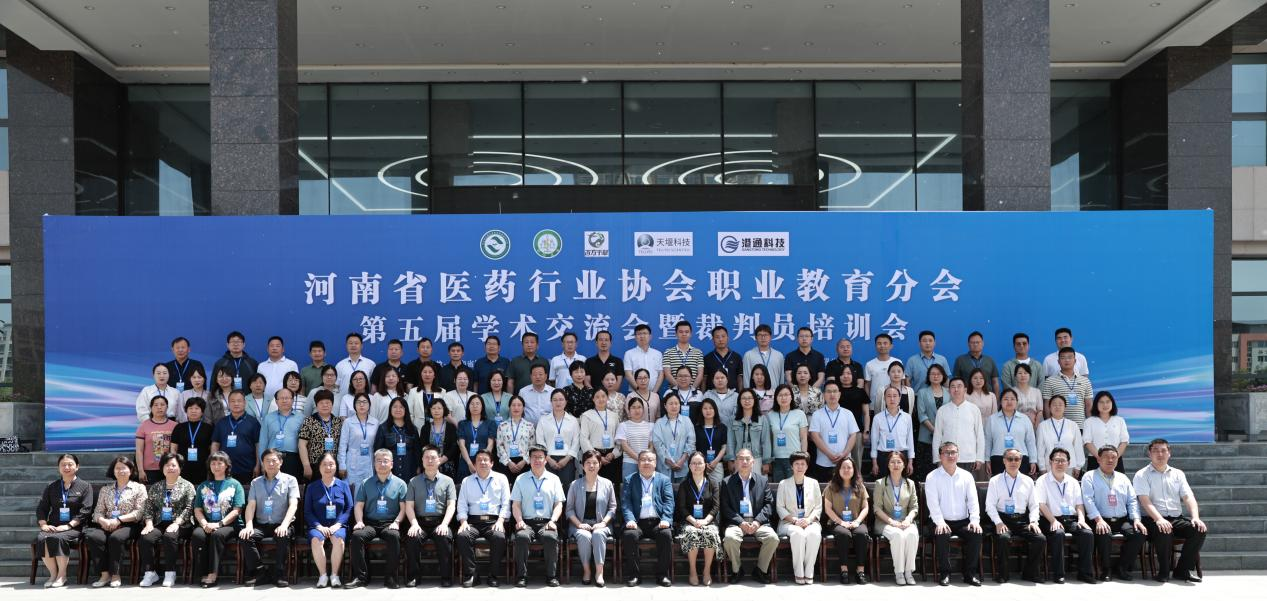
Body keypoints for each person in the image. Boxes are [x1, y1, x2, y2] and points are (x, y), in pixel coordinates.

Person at [1134, 438, 1207, 583]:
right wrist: (1159, 519)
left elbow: (1188, 497)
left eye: (1163, 450)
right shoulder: (1142, 475)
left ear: (1169, 453)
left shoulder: (1178, 474)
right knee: (1164, 530)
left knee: (1198, 530)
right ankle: (1164, 571)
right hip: (1152, 520)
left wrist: (1195, 517)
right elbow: (1144, 501)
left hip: (1176, 518)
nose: (1160, 454)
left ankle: (1182, 570)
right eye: (1155, 451)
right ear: (1149, 454)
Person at [1081, 445, 1147, 581]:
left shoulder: (1123, 477)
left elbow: (1132, 500)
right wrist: (1098, 520)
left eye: (1114, 457)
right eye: (1106, 457)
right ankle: (1106, 569)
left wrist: (1136, 519)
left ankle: (1122, 567)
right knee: (1103, 533)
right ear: (1098, 459)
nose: (1110, 460)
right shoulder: (1089, 476)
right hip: (1100, 519)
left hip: (1121, 520)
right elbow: (1088, 500)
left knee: (1139, 534)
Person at [348, 449, 408, 588]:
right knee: (357, 536)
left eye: (385, 461)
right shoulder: (366, 483)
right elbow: (358, 506)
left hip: (390, 523)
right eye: (379, 461)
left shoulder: (400, 484)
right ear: (374, 464)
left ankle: (391, 578)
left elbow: (404, 508)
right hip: (370, 523)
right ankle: (361, 577)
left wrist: (397, 522)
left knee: (394, 536)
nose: (382, 464)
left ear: (392, 464)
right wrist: (359, 521)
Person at [240, 448, 300, 586]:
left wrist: (284, 525)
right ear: (262, 463)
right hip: (262, 524)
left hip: (282, 523)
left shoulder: (290, 480)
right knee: (246, 536)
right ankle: (261, 573)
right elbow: (251, 505)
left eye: (274, 460)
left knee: (283, 535)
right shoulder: (256, 482)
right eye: (267, 461)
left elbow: (293, 505)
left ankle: (279, 574)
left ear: (281, 462)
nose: (271, 464)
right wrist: (248, 526)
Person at [926, 442, 983, 586]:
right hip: (940, 520)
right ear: (940, 456)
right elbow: (933, 504)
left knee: (975, 533)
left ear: (958, 455)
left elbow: (973, 501)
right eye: (947, 452)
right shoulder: (932, 477)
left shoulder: (967, 476)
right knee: (942, 533)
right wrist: (940, 522)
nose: (950, 455)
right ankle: (945, 573)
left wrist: (974, 520)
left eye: (953, 452)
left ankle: (970, 574)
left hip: (962, 521)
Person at [1035, 448, 1096, 583]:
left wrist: (1081, 520)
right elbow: (1041, 504)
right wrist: (1053, 521)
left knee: (1087, 533)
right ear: (1050, 462)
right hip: (1049, 518)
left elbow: (1079, 504)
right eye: (1056, 460)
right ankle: (1058, 574)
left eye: (1063, 460)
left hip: (1070, 518)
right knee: (1058, 533)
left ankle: (1085, 573)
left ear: (1068, 463)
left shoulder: (1073, 482)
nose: (1060, 463)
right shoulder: (1042, 481)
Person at [34, 454, 94, 588]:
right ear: (58, 467)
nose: (66, 467)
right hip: (54, 525)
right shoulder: (52, 486)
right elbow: (42, 507)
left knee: (58, 538)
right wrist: (43, 524)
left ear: (77, 467)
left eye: (70, 464)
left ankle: (62, 576)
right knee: (42, 538)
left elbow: (86, 510)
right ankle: (53, 574)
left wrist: (68, 526)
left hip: (75, 527)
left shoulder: (85, 486)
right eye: (63, 465)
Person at [510, 445, 566, 587]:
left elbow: (558, 504)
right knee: (521, 537)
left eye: (540, 457)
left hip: (547, 522)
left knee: (550, 537)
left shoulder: (554, 479)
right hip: (526, 522)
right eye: (534, 457)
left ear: (546, 460)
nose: (537, 460)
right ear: (529, 459)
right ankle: (522, 576)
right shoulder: (520, 479)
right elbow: (515, 505)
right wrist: (519, 521)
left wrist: (553, 521)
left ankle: (551, 576)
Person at [984, 448, 1043, 583]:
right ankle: (1003, 574)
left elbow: (1034, 505)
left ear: (1021, 461)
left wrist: (1033, 521)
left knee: (1040, 538)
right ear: (1004, 461)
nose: (1013, 462)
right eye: (1010, 459)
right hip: (1002, 519)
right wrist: (998, 522)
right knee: (1003, 538)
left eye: (1016, 459)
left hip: (1022, 520)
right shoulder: (995, 480)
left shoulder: (1028, 480)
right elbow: (990, 506)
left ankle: (1029, 573)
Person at [719, 448, 778, 583]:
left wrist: (757, 522)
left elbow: (769, 504)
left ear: (753, 462)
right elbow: (725, 507)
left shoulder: (762, 481)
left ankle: (760, 570)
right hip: (737, 523)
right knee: (729, 538)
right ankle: (737, 570)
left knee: (773, 538)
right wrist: (741, 522)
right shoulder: (727, 482)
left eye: (747, 459)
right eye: (741, 459)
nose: (744, 462)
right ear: (735, 462)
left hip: (758, 522)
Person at [455, 450, 512, 588]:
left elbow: (506, 503)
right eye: (479, 460)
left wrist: (501, 521)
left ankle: (493, 575)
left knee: (499, 537)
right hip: (473, 522)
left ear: (492, 463)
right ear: (474, 464)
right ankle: (472, 574)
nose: (482, 462)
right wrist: (463, 522)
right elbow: (461, 504)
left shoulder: (501, 478)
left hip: (494, 522)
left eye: (486, 460)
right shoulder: (467, 481)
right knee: (462, 536)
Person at [137, 453, 194, 588]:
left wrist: (177, 523)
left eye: (174, 465)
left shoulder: (187, 486)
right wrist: (149, 523)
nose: (170, 468)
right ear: (162, 468)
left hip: (181, 523)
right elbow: (149, 506)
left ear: (180, 468)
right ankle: (150, 573)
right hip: (159, 522)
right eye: (167, 465)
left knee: (170, 536)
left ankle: (170, 573)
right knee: (146, 537)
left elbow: (189, 507)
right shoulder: (156, 486)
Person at [404, 446, 457, 588]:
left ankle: (446, 577)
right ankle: (414, 577)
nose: (430, 460)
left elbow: (451, 505)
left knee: (444, 537)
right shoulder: (413, 482)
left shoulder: (448, 481)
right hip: (419, 522)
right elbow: (409, 506)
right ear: (422, 460)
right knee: (412, 538)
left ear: (439, 460)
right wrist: (414, 524)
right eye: (426, 457)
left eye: (433, 457)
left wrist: (445, 524)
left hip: (440, 521)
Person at [620, 449, 675, 587]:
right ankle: (634, 575)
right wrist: (630, 519)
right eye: (643, 459)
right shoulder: (630, 480)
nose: (646, 462)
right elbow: (626, 503)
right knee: (629, 535)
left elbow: (669, 502)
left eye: (650, 460)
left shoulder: (664, 480)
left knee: (666, 534)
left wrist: (666, 519)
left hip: (658, 522)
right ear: (638, 463)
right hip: (637, 522)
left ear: (655, 463)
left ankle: (662, 575)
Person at [191, 452, 245, 588]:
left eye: (220, 463)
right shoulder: (203, 485)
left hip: (229, 524)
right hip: (207, 523)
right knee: (198, 534)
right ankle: (201, 573)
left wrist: (220, 524)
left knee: (217, 534)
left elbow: (237, 510)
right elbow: (197, 509)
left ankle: (213, 574)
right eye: (213, 463)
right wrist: (204, 524)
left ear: (227, 466)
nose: (216, 466)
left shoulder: (235, 484)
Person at [566, 450, 617, 587]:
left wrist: (603, 523)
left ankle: (599, 572)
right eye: (588, 462)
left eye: (595, 462)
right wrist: (579, 524)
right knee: (584, 536)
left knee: (598, 534)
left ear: (600, 464)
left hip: (601, 524)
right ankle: (587, 570)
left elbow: (612, 508)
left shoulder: (607, 484)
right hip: (579, 524)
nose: (591, 465)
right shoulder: (575, 485)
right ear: (583, 465)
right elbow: (569, 509)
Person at [871, 451, 920, 586]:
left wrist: (908, 520)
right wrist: (891, 522)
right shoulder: (881, 483)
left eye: (899, 462)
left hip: (905, 521)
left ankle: (908, 572)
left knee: (911, 534)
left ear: (904, 465)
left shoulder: (910, 484)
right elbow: (877, 508)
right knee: (898, 535)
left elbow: (914, 507)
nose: (896, 465)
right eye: (892, 462)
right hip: (885, 522)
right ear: (888, 465)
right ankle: (899, 573)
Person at [305, 452, 353, 588]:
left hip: (338, 525)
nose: (328, 467)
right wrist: (318, 526)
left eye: (331, 464)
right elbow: (308, 511)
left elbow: (349, 508)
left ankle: (335, 575)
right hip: (318, 526)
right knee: (316, 539)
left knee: (338, 540)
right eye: (324, 464)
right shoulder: (312, 487)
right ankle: (323, 576)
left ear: (336, 466)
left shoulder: (343, 485)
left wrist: (338, 524)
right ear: (319, 467)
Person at [775, 451, 822, 585]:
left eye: (803, 464)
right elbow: (780, 507)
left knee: (814, 534)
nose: (800, 467)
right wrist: (795, 520)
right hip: (788, 522)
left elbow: (818, 507)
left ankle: (809, 570)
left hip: (810, 521)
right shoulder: (783, 484)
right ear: (791, 466)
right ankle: (799, 572)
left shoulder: (814, 483)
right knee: (798, 533)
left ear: (807, 466)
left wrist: (808, 520)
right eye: (796, 464)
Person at [676, 451, 721, 586]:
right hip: (689, 521)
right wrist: (693, 521)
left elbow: (716, 506)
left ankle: (706, 571)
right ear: (689, 466)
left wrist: (705, 521)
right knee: (692, 533)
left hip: (708, 521)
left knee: (710, 533)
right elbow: (681, 507)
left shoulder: (713, 483)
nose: (696, 466)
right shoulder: (684, 484)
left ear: (705, 465)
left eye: (699, 463)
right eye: (693, 463)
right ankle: (693, 571)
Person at [823, 456, 870, 584]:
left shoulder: (860, 487)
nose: (846, 470)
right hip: (836, 522)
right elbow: (828, 509)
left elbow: (865, 507)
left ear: (854, 470)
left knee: (861, 534)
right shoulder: (831, 487)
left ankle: (860, 571)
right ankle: (844, 570)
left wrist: (857, 521)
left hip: (856, 521)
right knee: (843, 534)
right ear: (838, 470)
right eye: (843, 467)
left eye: (849, 467)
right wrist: (841, 522)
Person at [931, 377, 985, 471]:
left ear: (965, 390)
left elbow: (980, 435)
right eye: (953, 387)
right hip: (947, 457)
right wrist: (937, 459)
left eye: (959, 386)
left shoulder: (974, 409)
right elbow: (937, 436)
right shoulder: (942, 410)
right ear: (949, 390)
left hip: (968, 458)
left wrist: (979, 458)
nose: (956, 389)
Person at [811, 381, 861, 481]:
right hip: (823, 462)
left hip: (845, 463)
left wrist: (844, 454)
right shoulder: (817, 414)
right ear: (824, 395)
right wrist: (829, 454)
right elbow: (815, 436)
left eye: (835, 391)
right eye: (829, 391)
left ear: (839, 394)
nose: (832, 394)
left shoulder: (848, 414)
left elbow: (853, 435)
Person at [209, 390, 261, 484]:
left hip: (247, 468)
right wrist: (214, 463)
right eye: (232, 401)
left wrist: (258, 465)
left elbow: (258, 445)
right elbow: (215, 444)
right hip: (224, 469)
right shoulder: (221, 422)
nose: (236, 403)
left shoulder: (253, 422)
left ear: (245, 403)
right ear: (228, 404)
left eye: (239, 401)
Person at [986, 389, 1038, 476]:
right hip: (998, 458)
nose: (1009, 402)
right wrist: (987, 460)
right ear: (1000, 402)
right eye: (1006, 399)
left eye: (1012, 399)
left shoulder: (1024, 419)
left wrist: (1033, 461)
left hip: (1020, 458)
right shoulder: (992, 419)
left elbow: (1030, 441)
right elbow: (988, 441)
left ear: (1017, 402)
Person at [535, 389, 581, 487]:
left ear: (566, 401)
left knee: (567, 490)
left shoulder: (573, 421)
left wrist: (567, 458)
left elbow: (576, 441)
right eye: (555, 400)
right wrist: (548, 459)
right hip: (548, 460)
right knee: (548, 489)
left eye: (561, 399)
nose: (558, 402)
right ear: (551, 402)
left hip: (567, 460)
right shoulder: (543, 420)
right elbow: (540, 441)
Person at [763, 384, 808, 482]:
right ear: (776, 398)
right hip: (776, 459)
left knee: (795, 486)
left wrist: (803, 457)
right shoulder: (770, 415)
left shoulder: (799, 414)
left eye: (786, 395)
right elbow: (768, 439)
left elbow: (804, 438)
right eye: (780, 395)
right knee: (778, 487)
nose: (783, 398)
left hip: (795, 458)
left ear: (791, 397)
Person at [1041, 347, 1093, 426]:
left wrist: (1090, 425)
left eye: (1070, 357)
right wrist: (1049, 425)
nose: (1067, 360)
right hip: (1058, 427)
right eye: (1063, 358)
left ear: (1075, 361)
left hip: (1080, 426)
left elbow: (1089, 405)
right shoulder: (1050, 381)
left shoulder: (1085, 381)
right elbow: (1046, 405)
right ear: (1058, 362)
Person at [338, 393, 379, 492]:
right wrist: (342, 464)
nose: (361, 405)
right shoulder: (348, 422)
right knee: (353, 491)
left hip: (369, 461)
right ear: (354, 405)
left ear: (369, 405)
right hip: (353, 461)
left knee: (368, 491)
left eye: (364, 402)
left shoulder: (375, 422)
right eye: (358, 402)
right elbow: (342, 445)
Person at [257, 388, 303, 478]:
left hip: (293, 459)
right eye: (281, 398)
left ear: (292, 400)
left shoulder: (301, 418)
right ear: (276, 401)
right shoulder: (268, 418)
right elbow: (263, 442)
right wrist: (263, 463)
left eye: (287, 398)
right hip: (272, 458)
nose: (284, 400)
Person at [299, 390, 344, 481]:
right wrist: (306, 465)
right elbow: (302, 445)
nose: (325, 405)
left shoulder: (338, 422)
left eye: (327, 402)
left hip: (333, 465)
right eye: (321, 403)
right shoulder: (309, 421)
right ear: (316, 405)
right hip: (315, 465)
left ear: (332, 404)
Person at [581, 387, 623, 485]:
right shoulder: (587, 415)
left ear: (607, 398)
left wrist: (614, 454)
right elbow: (584, 438)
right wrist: (596, 456)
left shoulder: (614, 415)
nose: (601, 399)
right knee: (593, 486)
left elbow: (619, 438)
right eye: (597, 397)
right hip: (593, 456)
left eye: (603, 396)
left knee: (612, 487)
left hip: (611, 456)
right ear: (593, 399)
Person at [374, 397, 423, 480]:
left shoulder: (412, 429)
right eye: (395, 407)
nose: (398, 409)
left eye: (401, 407)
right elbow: (378, 450)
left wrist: (419, 467)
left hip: (410, 470)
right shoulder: (383, 428)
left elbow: (417, 450)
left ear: (406, 410)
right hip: (390, 471)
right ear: (390, 409)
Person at [915, 363, 949, 478]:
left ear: (943, 376)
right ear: (928, 376)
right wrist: (935, 431)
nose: (935, 376)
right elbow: (922, 415)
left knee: (944, 472)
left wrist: (941, 432)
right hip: (926, 437)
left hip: (945, 437)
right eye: (933, 374)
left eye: (938, 374)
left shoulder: (949, 392)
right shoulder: (922, 392)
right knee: (926, 473)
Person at [1083, 391, 1130, 473]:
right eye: (1101, 402)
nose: (1105, 405)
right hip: (1095, 460)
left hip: (1116, 461)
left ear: (1112, 403)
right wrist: (1100, 458)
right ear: (1096, 404)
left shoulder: (1119, 420)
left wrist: (1115, 457)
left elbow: (1124, 441)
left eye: (1108, 402)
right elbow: (1087, 441)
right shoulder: (1089, 421)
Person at [1036, 395, 1085, 473]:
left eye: (1060, 404)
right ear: (1049, 407)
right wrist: (1042, 467)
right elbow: (1040, 448)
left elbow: (1078, 446)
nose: (1057, 407)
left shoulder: (1073, 425)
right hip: (1049, 466)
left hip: (1070, 466)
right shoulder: (1043, 426)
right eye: (1054, 404)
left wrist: (1078, 466)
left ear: (1065, 407)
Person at [652, 392, 694, 483]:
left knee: (682, 491)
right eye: (671, 403)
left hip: (683, 467)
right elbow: (658, 445)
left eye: (676, 403)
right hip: (664, 468)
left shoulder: (687, 421)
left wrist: (681, 461)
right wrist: (670, 462)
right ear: (665, 406)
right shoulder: (659, 423)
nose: (674, 406)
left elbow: (691, 442)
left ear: (680, 405)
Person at [136, 395, 176, 483]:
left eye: (162, 405)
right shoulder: (144, 425)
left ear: (167, 407)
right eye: (156, 405)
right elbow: (139, 450)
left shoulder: (175, 426)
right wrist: (140, 470)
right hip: (149, 470)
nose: (159, 407)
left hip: (170, 468)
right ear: (151, 408)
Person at [616, 397, 656, 482]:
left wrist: (645, 459)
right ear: (629, 410)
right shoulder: (623, 425)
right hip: (629, 462)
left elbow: (651, 445)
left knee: (646, 486)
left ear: (643, 409)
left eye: (639, 407)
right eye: (633, 407)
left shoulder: (651, 426)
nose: (636, 410)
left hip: (647, 462)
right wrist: (640, 458)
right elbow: (625, 446)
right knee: (629, 487)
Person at [726, 389, 767, 473]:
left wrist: (766, 462)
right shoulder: (733, 420)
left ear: (754, 400)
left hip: (757, 458)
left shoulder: (762, 419)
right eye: (744, 398)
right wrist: (731, 459)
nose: (747, 401)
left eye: (750, 398)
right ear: (739, 401)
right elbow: (730, 441)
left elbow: (766, 442)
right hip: (739, 459)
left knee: (756, 481)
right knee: (739, 481)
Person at [837, 367, 870, 468]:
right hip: (838, 431)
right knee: (840, 460)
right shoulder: (835, 392)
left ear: (853, 376)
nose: (846, 376)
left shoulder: (860, 392)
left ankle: (857, 477)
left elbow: (866, 413)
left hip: (857, 431)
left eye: (849, 373)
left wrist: (866, 431)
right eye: (843, 374)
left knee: (856, 461)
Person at [496, 395, 536, 480]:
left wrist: (524, 461)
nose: (516, 408)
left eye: (519, 405)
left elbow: (532, 446)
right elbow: (499, 446)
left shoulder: (529, 426)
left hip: (524, 464)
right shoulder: (502, 426)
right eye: (513, 405)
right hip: (506, 464)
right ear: (509, 407)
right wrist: (509, 462)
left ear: (523, 407)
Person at [458, 394, 496, 480]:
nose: (475, 406)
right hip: (466, 462)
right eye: (472, 404)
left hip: (483, 463)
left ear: (482, 406)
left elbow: (490, 445)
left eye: (477, 403)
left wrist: (482, 461)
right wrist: (470, 464)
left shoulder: (490, 423)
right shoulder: (462, 424)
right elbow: (461, 445)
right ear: (468, 407)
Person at [419, 398, 458, 479]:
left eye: (439, 408)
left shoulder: (451, 427)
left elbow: (454, 446)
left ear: (444, 410)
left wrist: (442, 459)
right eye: (433, 408)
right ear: (430, 410)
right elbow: (422, 446)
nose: (436, 411)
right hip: (429, 463)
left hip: (447, 465)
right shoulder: (425, 427)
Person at [693, 397, 729, 486]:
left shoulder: (722, 428)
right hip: (700, 464)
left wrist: (715, 462)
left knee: (718, 490)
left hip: (717, 464)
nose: (708, 411)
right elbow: (694, 447)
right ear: (701, 411)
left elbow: (724, 447)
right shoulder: (696, 428)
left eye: (711, 408)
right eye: (705, 408)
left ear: (715, 410)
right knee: (700, 489)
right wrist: (703, 463)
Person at [662, 320, 705, 391]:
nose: (684, 334)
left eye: (687, 332)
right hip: (674, 393)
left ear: (690, 334)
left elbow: (700, 374)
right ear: (676, 334)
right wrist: (680, 390)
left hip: (693, 393)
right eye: (681, 332)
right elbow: (667, 374)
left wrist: (691, 390)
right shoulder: (668, 352)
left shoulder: (698, 353)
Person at [624, 324, 665, 393]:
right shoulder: (629, 354)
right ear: (635, 337)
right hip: (635, 392)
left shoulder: (658, 354)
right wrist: (639, 391)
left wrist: (654, 393)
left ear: (650, 336)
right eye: (639, 334)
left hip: (654, 392)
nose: (642, 336)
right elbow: (628, 374)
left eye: (645, 333)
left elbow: (661, 374)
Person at [743, 324, 785, 389]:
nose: (763, 338)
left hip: (774, 393)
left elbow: (781, 379)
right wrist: (749, 393)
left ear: (770, 337)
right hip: (754, 393)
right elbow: (746, 378)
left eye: (766, 335)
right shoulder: (748, 355)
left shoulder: (779, 356)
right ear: (756, 338)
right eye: (760, 335)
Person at [703, 325, 744, 391]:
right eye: (717, 337)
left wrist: (740, 394)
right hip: (713, 395)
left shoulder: (737, 357)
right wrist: (703, 394)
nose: (721, 339)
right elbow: (704, 380)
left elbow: (740, 378)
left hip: (733, 394)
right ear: (713, 340)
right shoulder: (707, 358)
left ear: (728, 338)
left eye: (723, 336)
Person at [336, 332, 377, 397]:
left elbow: (374, 386)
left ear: (362, 346)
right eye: (350, 343)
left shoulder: (371, 364)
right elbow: (336, 386)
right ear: (346, 346)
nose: (353, 345)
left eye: (356, 343)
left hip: (365, 401)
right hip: (344, 401)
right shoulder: (340, 365)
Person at [862, 333, 896, 404]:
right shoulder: (869, 364)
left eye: (885, 343)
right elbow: (867, 385)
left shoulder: (897, 362)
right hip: (874, 403)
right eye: (879, 343)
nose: (882, 346)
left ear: (891, 346)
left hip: (893, 402)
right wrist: (867, 402)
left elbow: (902, 382)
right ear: (875, 346)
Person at [1011, 362, 1044, 429]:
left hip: (1035, 424)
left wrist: (1036, 425)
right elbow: (1010, 411)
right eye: (1020, 373)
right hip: (1017, 425)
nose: (1023, 375)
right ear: (1015, 376)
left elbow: (1040, 411)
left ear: (1030, 375)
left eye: (1025, 373)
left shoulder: (1036, 391)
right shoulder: (1011, 392)